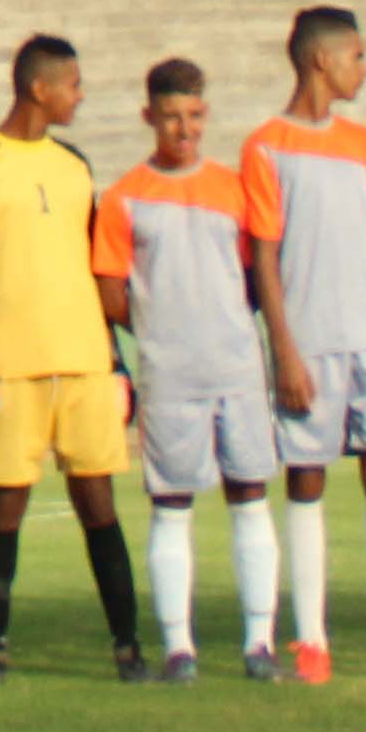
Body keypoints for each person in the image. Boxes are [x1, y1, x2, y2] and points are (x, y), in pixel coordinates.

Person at [0, 33, 143, 686]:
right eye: (73, 84)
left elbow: (95, 268)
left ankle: (128, 649)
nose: (80, 96)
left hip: (83, 361)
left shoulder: (76, 165)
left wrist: (114, 360)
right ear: (40, 87)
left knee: (99, 503)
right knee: (5, 507)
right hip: (13, 368)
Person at [240, 7, 366, 684]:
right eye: (357, 56)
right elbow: (264, 257)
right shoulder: (266, 147)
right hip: (310, 341)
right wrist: (283, 348)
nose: (364, 68)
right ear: (323, 60)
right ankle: (311, 640)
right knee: (308, 477)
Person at [98, 58, 271, 684]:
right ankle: (180, 648)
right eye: (171, 116)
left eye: (194, 115)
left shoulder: (235, 189)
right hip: (170, 371)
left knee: (250, 494)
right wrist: (161, 329)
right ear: (149, 116)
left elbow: (257, 277)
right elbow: (111, 289)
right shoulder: (123, 198)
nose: (184, 128)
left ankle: (259, 642)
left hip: (236, 364)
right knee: (171, 501)